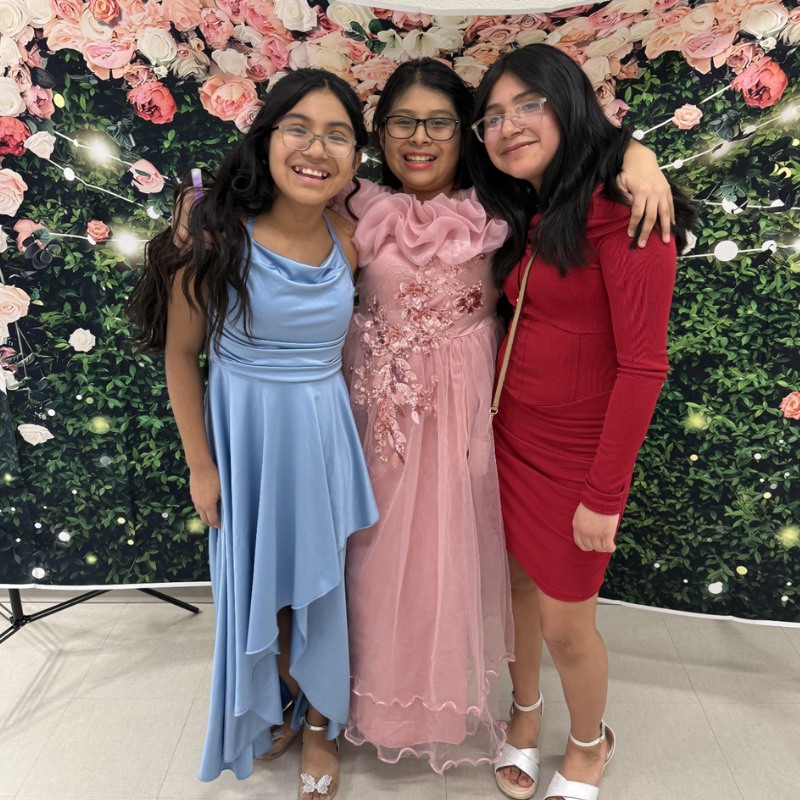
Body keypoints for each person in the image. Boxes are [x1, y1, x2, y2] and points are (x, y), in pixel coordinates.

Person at [330, 58, 675, 773]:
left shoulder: (508, 208)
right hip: (419, 425)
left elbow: (642, 362)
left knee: (530, 600)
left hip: (489, 431)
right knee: (425, 575)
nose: (420, 136)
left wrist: (638, 157)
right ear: (379, 132)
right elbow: (269, 184)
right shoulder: (367, 203)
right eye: (401, 121)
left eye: (443, 122)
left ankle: (583, 743)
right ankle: (493, 710)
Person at [126, 69, 378, 800]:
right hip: (245, 444)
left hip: (325, 439)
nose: (317, 148)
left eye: (338, 135)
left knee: (322, 593)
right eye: (298, 128)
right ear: (266, 139)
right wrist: (201, 468)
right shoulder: (214, 236)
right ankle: (274, 702)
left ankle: (323, 725)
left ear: (354, 156)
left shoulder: (350, 235)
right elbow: (180, 353)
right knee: (261, 595)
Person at [469, 44, 696, 800]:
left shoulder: (629, 213)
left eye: (528, 104)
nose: (508, 126)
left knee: (569, 626)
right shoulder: (534, 207)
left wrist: (606, 493)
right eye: (493, 116)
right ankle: (525, 717)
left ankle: (591, 745)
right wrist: (635, 150)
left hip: (576, 459)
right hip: (510, 440)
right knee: (517, 597)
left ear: (568, 103)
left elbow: (643, 368)